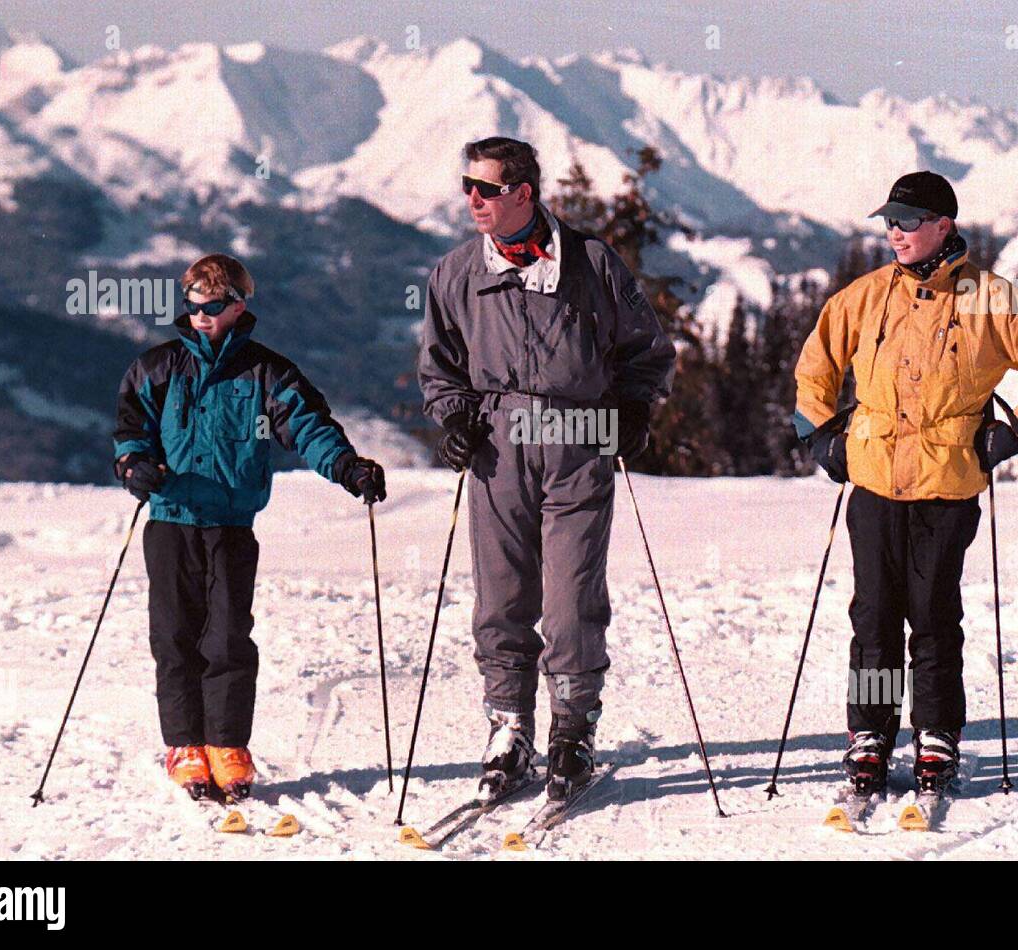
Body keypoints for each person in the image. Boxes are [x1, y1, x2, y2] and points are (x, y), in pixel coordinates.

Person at [794, 171, 1018, 794]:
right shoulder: (864, 297)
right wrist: (819, 435)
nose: (894, 232)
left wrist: (1013, 433)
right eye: (889, 221)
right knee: (872, 618)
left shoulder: (992, 299)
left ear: (943, 226)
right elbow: (813, 368)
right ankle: (869, 733)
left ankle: (937, 734)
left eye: (908, 221)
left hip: (947, 486)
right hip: (871, 484)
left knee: (931, 616)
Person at [418, 137, 676, 802]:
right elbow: (440, 365)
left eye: (486, 188)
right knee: (501, 602)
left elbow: (646, 348)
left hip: (577, 441)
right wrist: (454, 419)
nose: (472, 199)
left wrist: (633, 411)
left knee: (569, 604)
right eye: (466, 185)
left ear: (523, 194)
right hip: (497, 449)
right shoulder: (454, 272)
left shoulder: (591, 263)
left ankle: (571, 726)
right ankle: (508, 726)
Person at [113, 253, 386, 800]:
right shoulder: (158, 367)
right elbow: (130, 428)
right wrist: (133, 464)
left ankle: (227, 744)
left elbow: (308, 427)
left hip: (232, 525)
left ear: (238, 305)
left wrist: (347, 466)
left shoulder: (266, 372)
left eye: (212, 307)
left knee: (229, 637)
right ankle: (185, 745)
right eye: (192, 307)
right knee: (174, 637)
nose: (201, 317)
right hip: (171, 520)